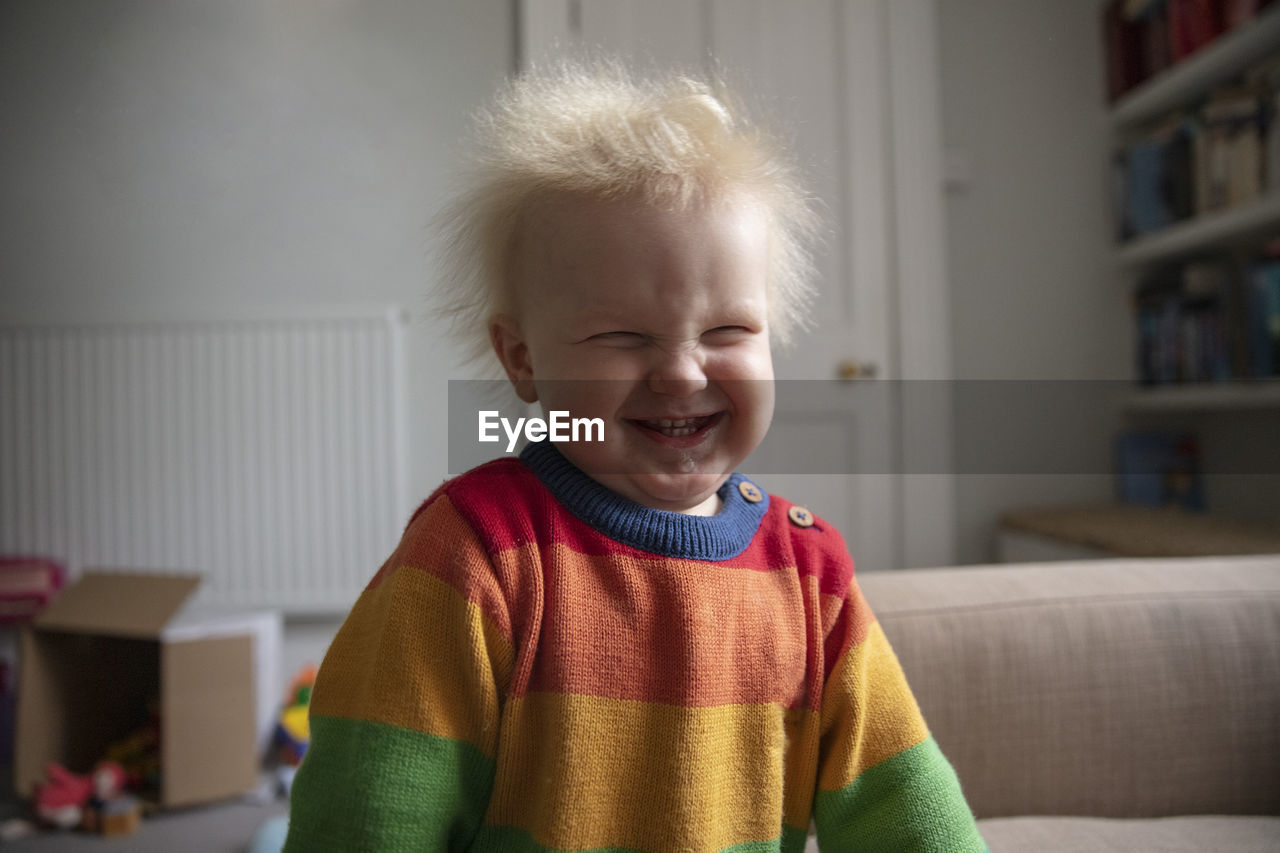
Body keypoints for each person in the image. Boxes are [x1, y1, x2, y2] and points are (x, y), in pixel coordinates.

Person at [283, 59, 987, 852]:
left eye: (728, 332)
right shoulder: (476, 553)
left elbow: (905, 799)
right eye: (621, 336)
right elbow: (369, 808)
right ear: (523, 360)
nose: (682, 371)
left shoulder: (810, 574)